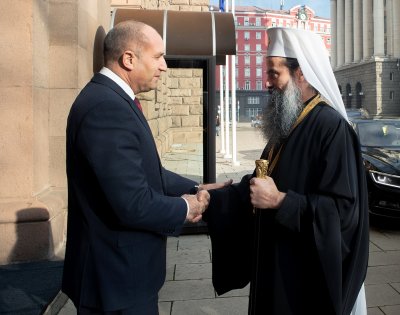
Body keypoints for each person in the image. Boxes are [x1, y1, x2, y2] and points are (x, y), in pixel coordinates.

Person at [203, 27, 369, 315]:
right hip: (274, 264)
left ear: (300, 73)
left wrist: (281, 202)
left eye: (273, 74)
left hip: (303, 278)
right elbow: (264, 180)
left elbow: (343, 213)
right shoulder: (290, 121)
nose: (267, 82)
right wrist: (221, 196)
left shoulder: (332, 129)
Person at [62, 20, 212, 314]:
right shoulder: (106, 107)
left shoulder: (115, 99)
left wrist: (197, 188)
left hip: (124, 277)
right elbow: (132, 202)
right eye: (158, 56)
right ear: (128, 59)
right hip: (115, 281)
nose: (165, 66)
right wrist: (187, 207)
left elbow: (145, 173)